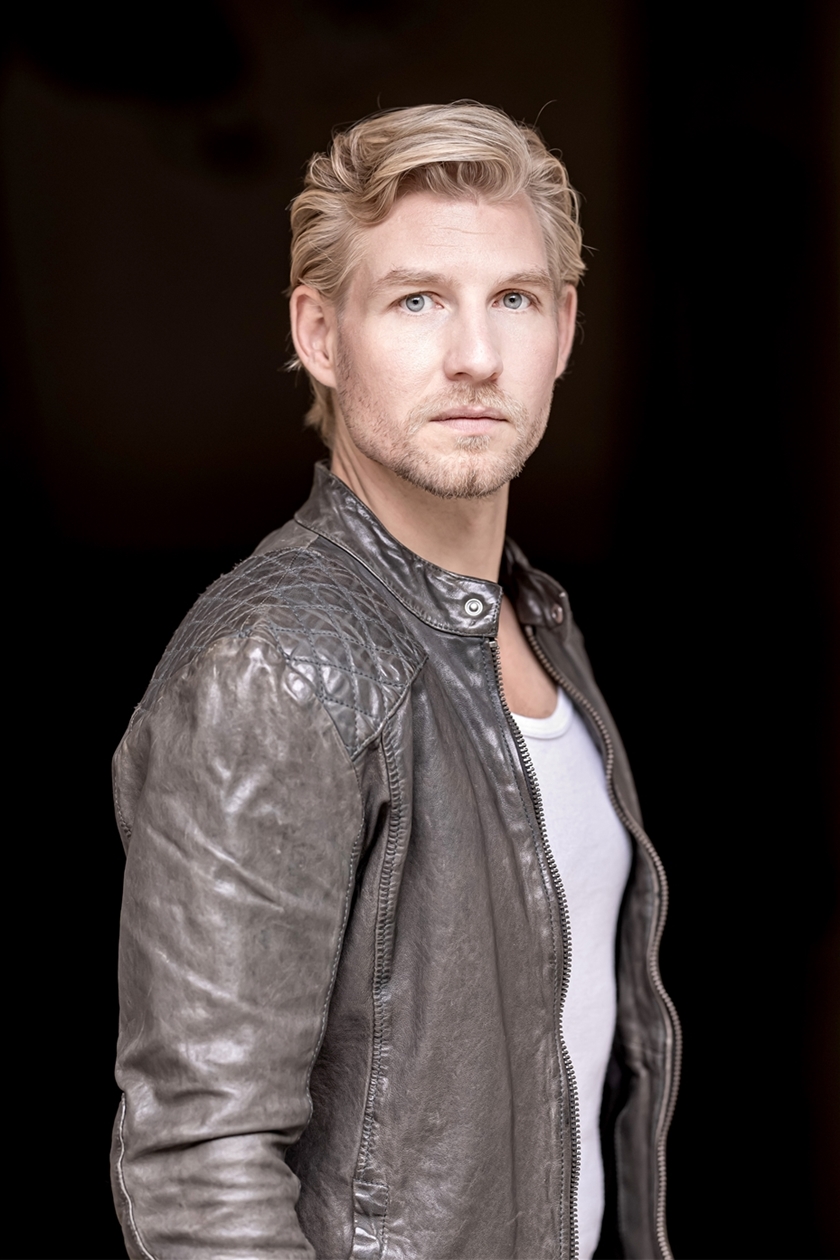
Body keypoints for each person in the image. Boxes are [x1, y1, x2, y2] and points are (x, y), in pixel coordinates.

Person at [110, 101, 680, 1260]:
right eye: (417, 300)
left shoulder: (536, 620)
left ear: (565, 329)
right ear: (321, 334)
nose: (475, 355)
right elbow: (202, 1167)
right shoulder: (276, 666)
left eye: (513, 299)